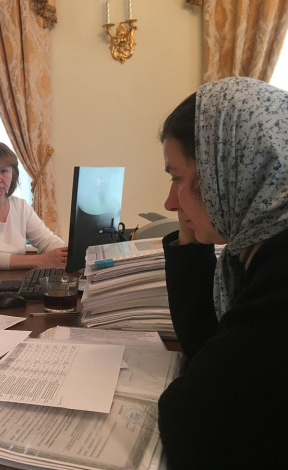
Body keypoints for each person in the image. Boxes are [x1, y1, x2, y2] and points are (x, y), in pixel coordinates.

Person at [157, 76, 288, 469]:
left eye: (177, 178)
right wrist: (191, 228)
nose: (169, 202)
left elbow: (193, 429)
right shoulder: (257, 249)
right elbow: (206, 346)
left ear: (226, 172)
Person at [0, 142, 67, 272]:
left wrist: (65, 254)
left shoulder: (21, 206)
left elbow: (47, 241)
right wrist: (40, 260)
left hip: (15, 279)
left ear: (13, 174)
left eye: (4, 171)